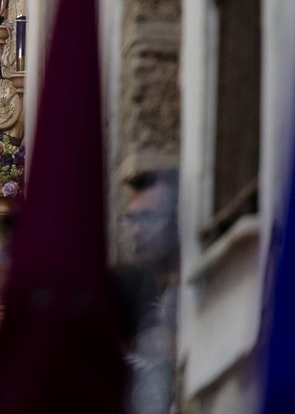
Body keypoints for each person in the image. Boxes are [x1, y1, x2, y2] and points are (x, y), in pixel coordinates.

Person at [119, 170, 179, 414]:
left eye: (147, 217)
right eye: (131, 219)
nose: (136, 230)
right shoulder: (134, 288)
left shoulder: (197, 291)